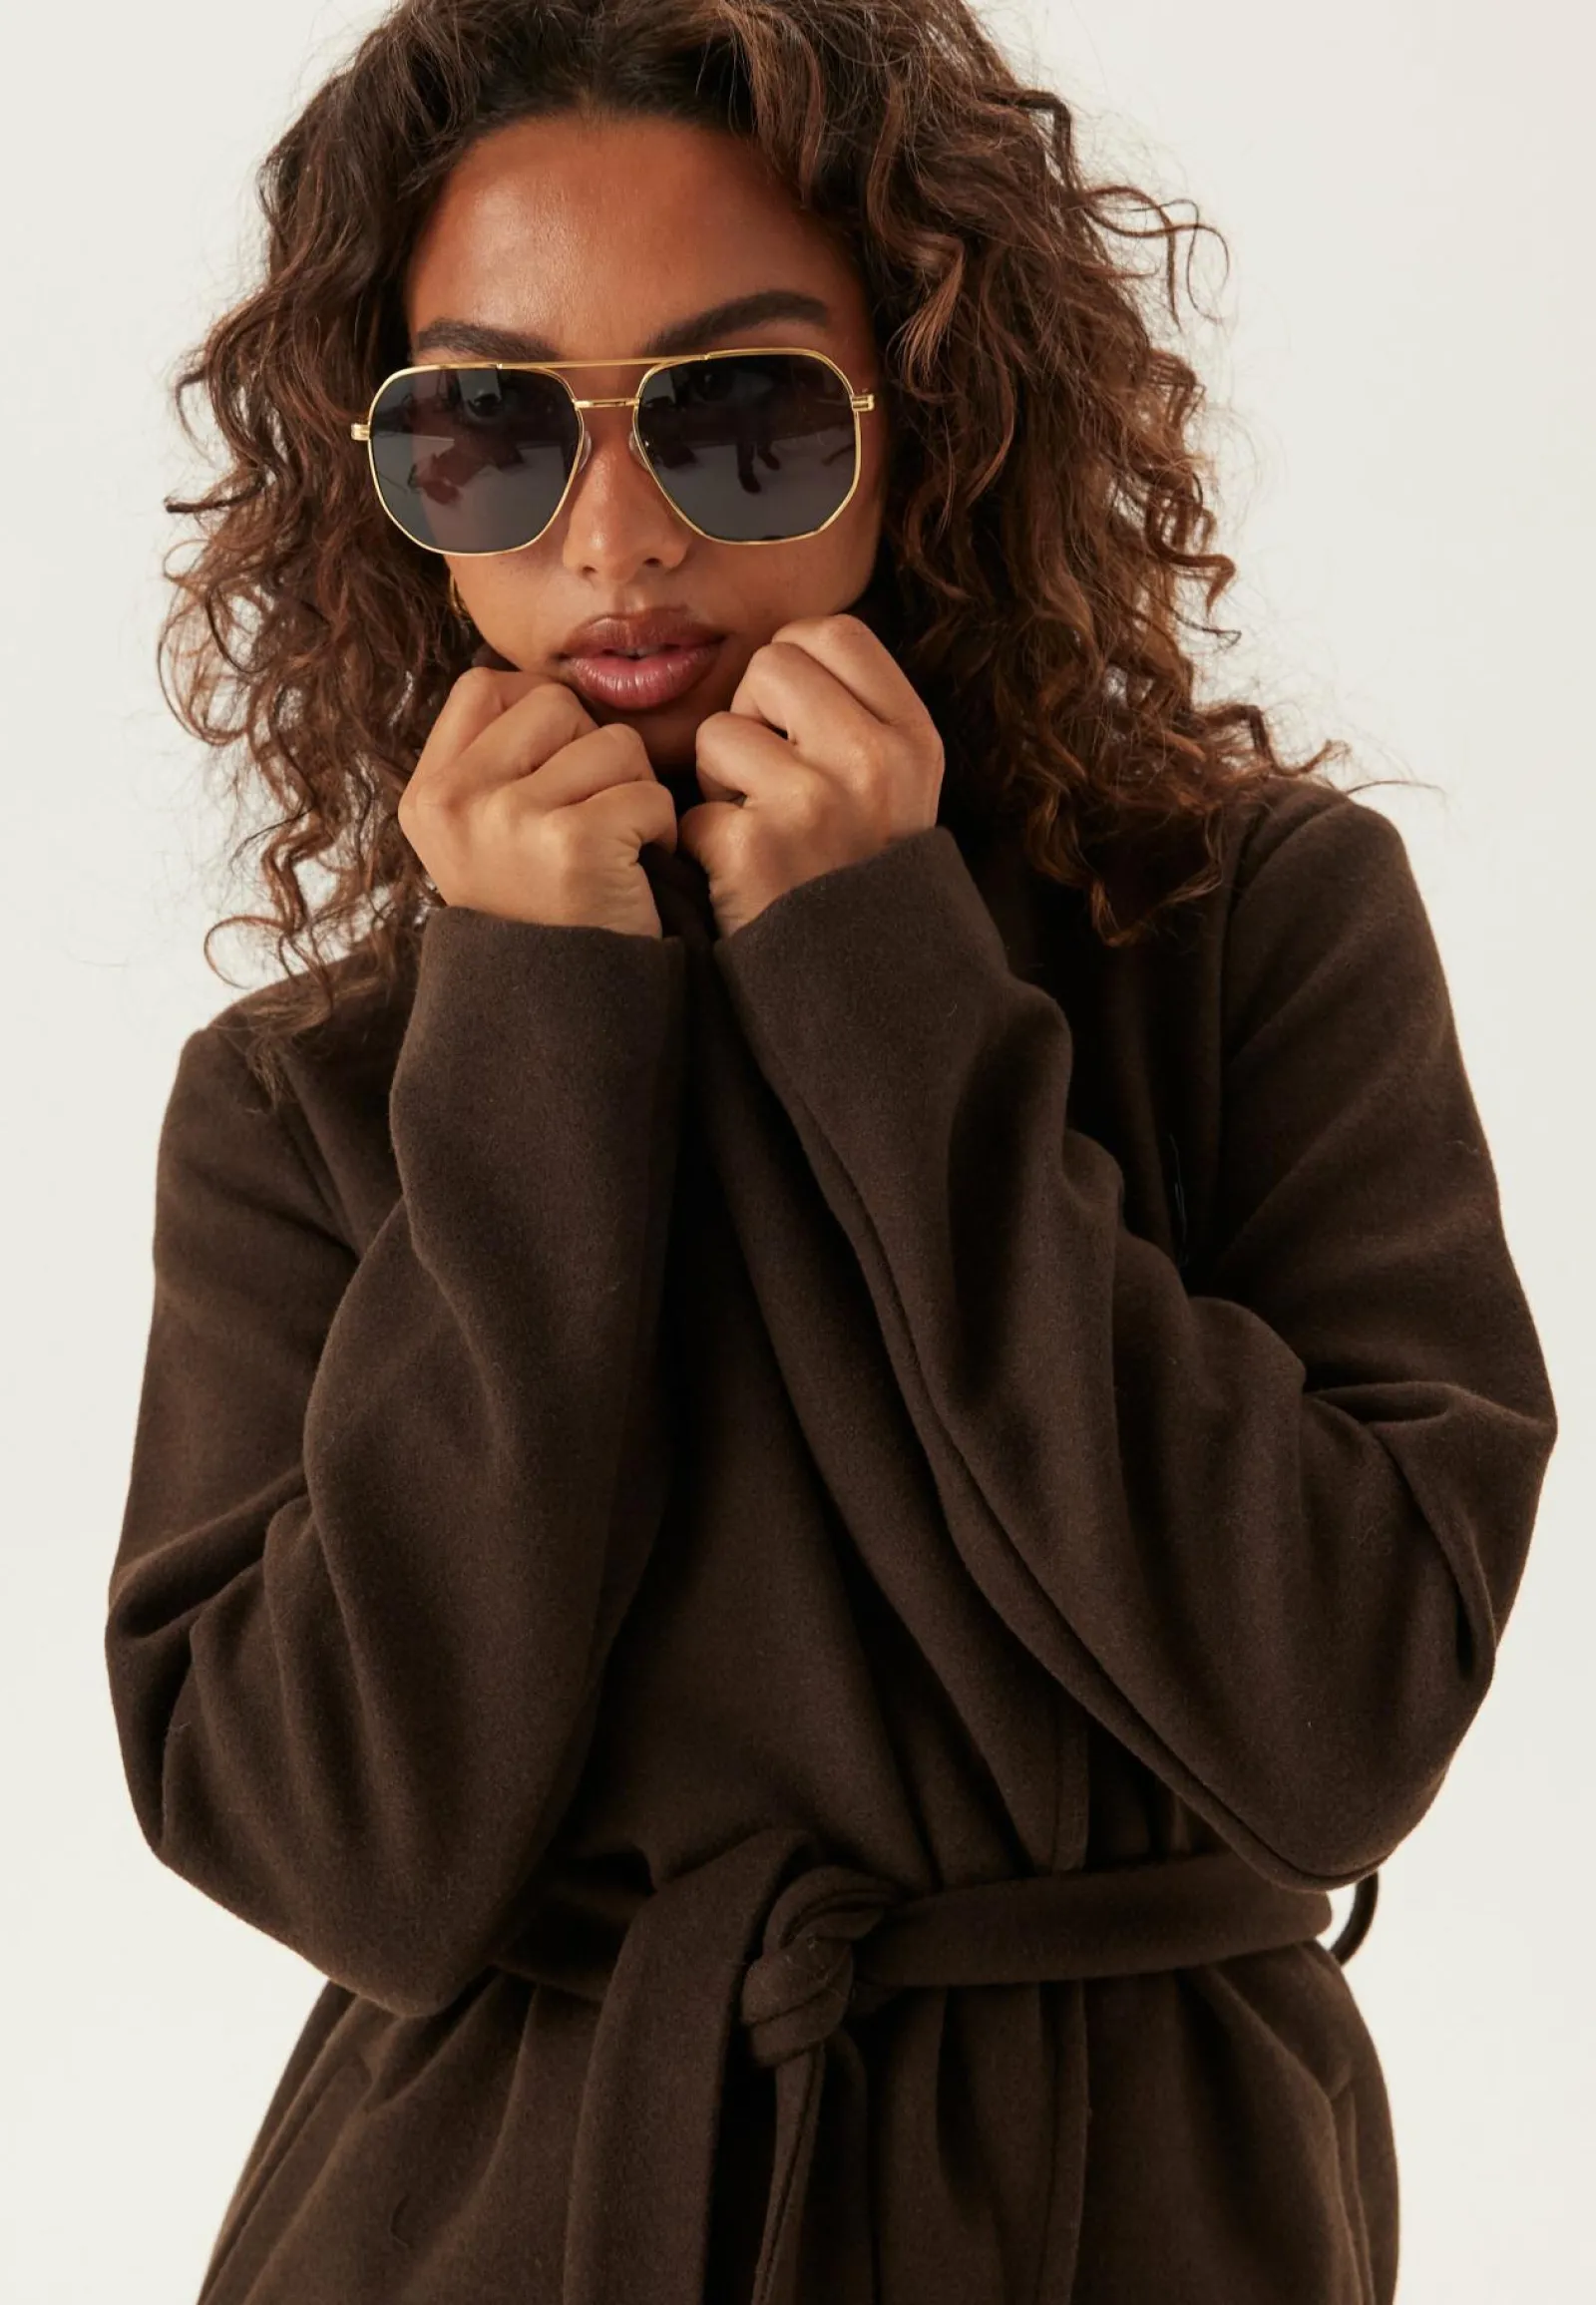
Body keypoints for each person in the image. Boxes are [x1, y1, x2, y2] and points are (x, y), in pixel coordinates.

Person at [104, 2, 1559, 2301]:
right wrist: (533, 1030)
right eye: (487, 431)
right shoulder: (311, 1093)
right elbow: (343, 1857)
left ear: (926, 415)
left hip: (1142, 2222)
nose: (616, 537)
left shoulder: (1241, 934)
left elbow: (1338, 1723)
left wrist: (881, 981)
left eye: (742, 416)